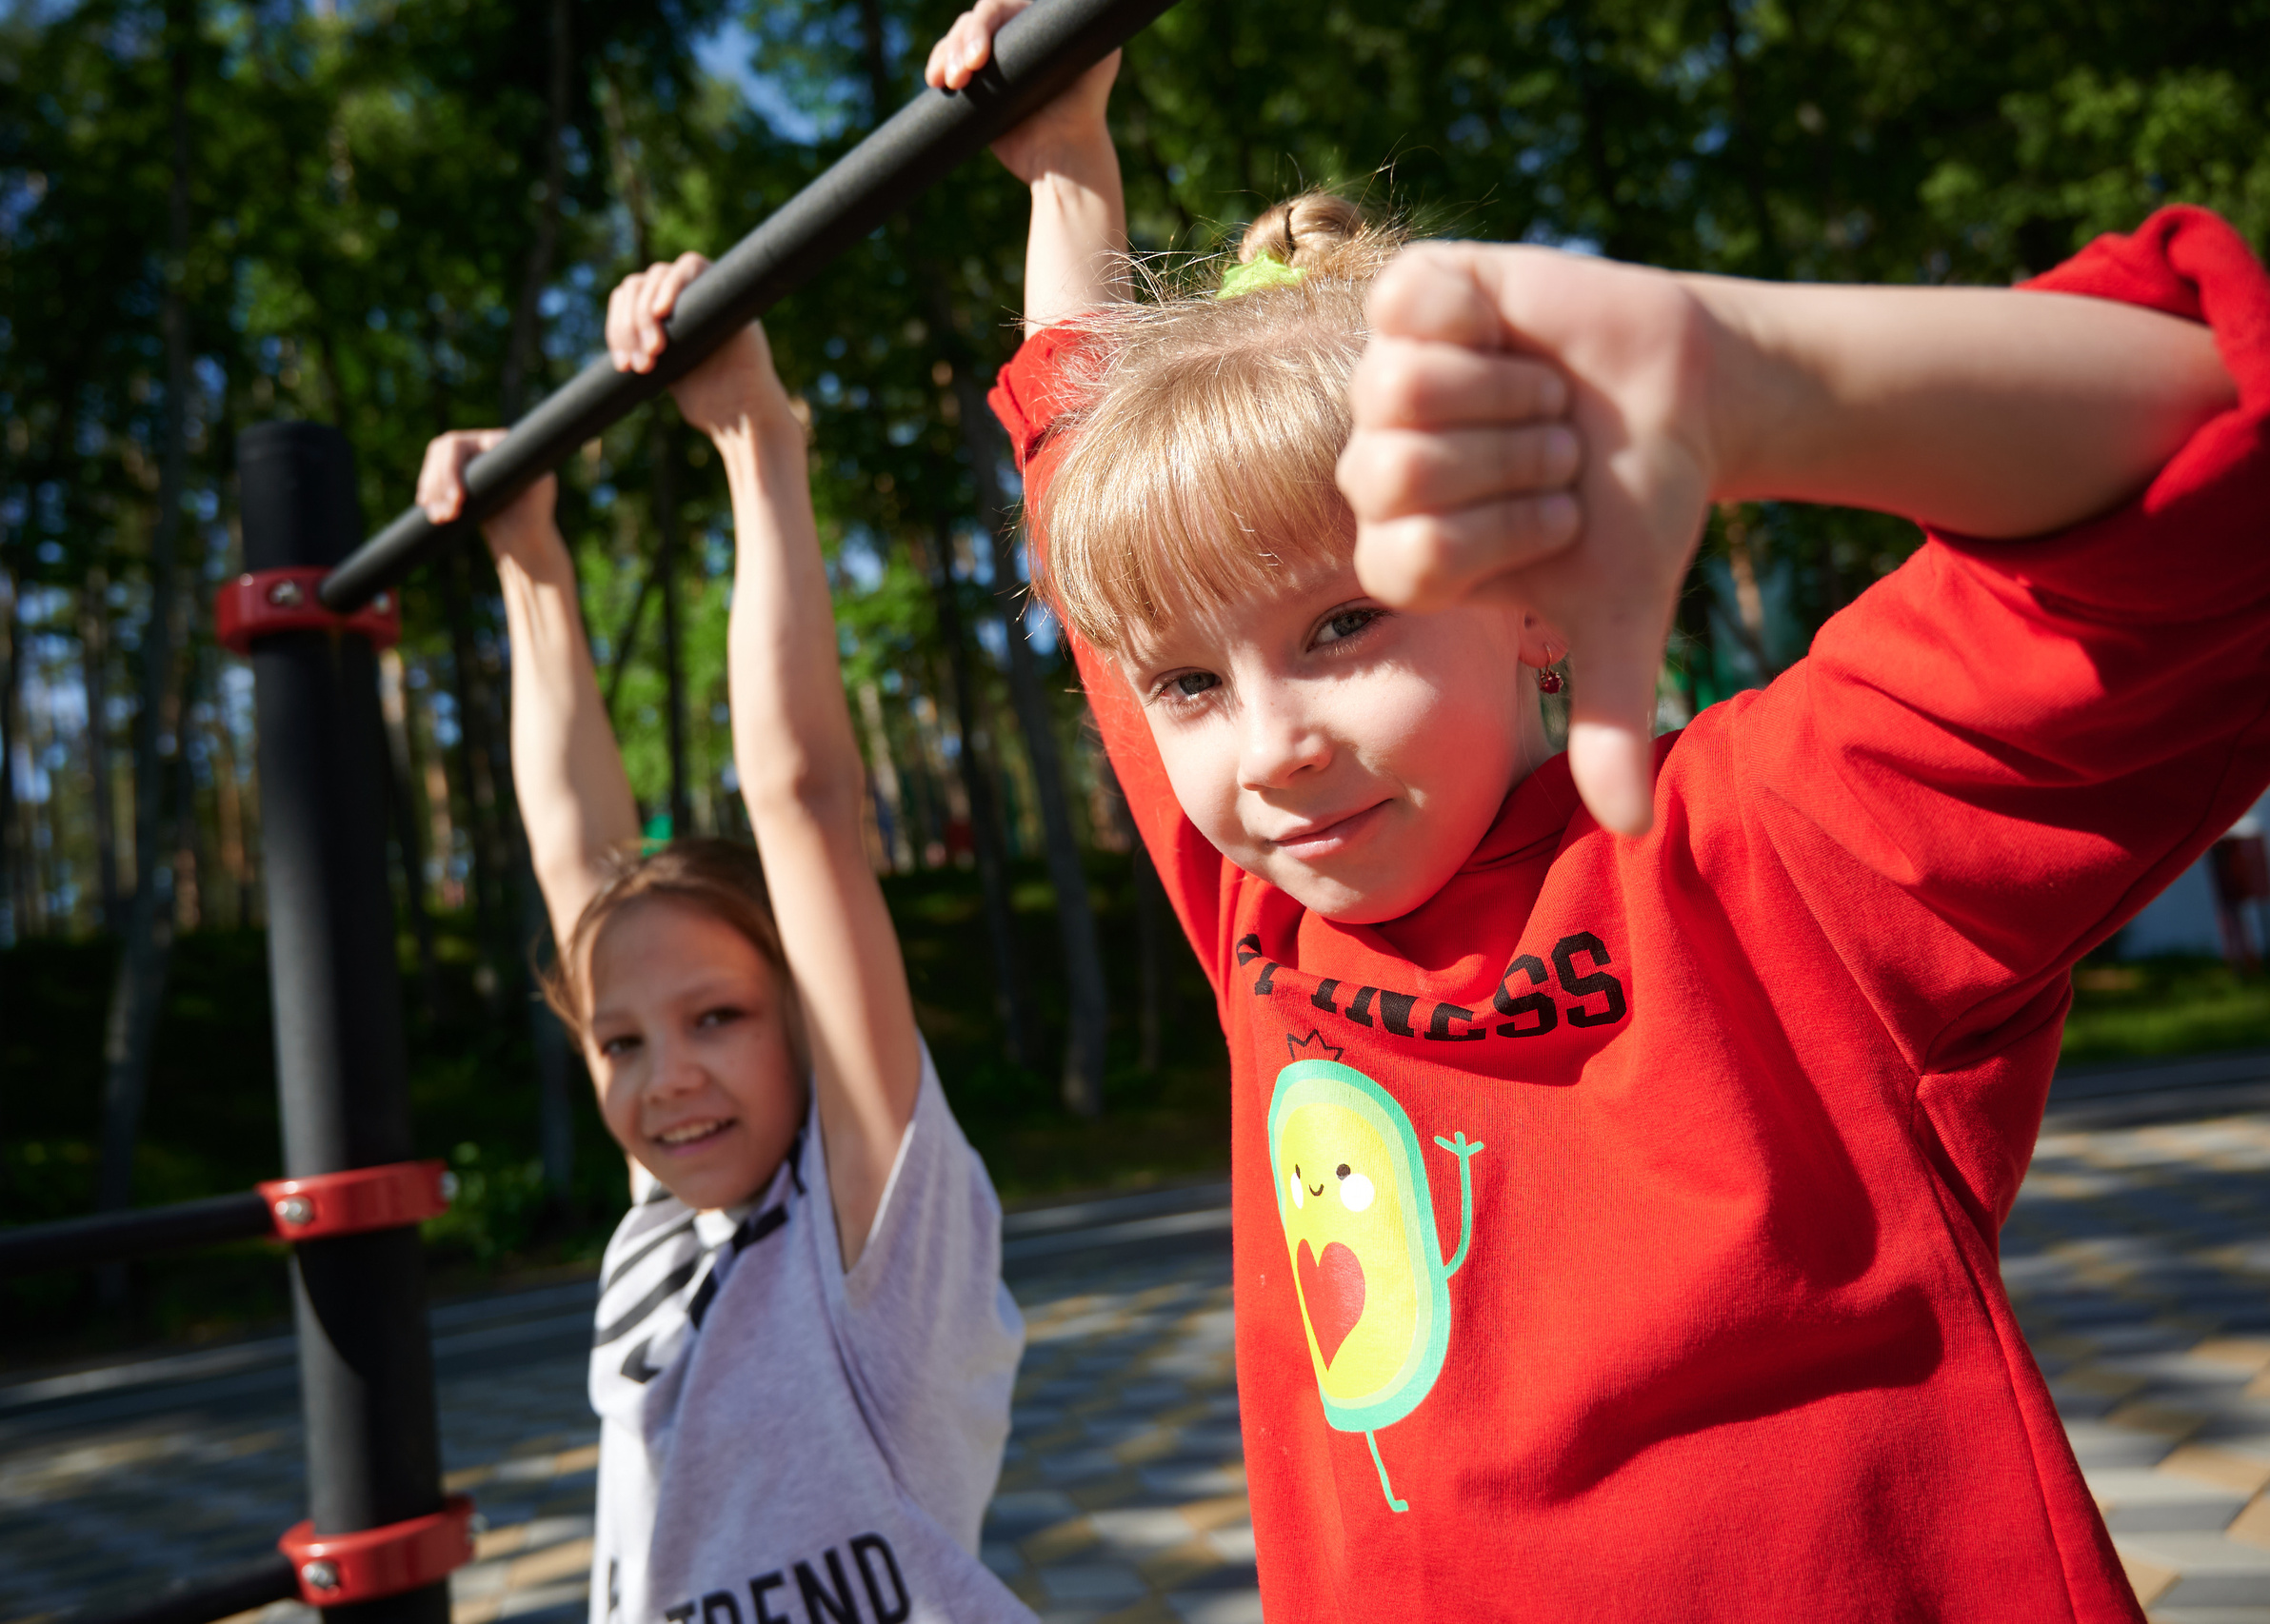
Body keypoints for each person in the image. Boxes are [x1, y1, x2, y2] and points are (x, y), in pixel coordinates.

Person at [932, 1, 2264, 1616]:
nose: (1267, 744)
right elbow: (1088, 503)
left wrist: (1758, 384)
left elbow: (2205, 477)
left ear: (1537, 601)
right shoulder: (1262, 918)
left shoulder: (1755, 852)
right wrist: (1066, 168)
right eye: (1190, 689)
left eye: (1342, 625)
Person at [415, 252, 1030, 1624]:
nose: (666, 1073)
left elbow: (805, 800)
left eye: (720, 1018)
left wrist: (754, 433)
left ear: (808, 1012)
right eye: (623, 1041)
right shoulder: (673, 1217)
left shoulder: (872, 1231)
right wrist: (526, 565)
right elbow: (579, 863)